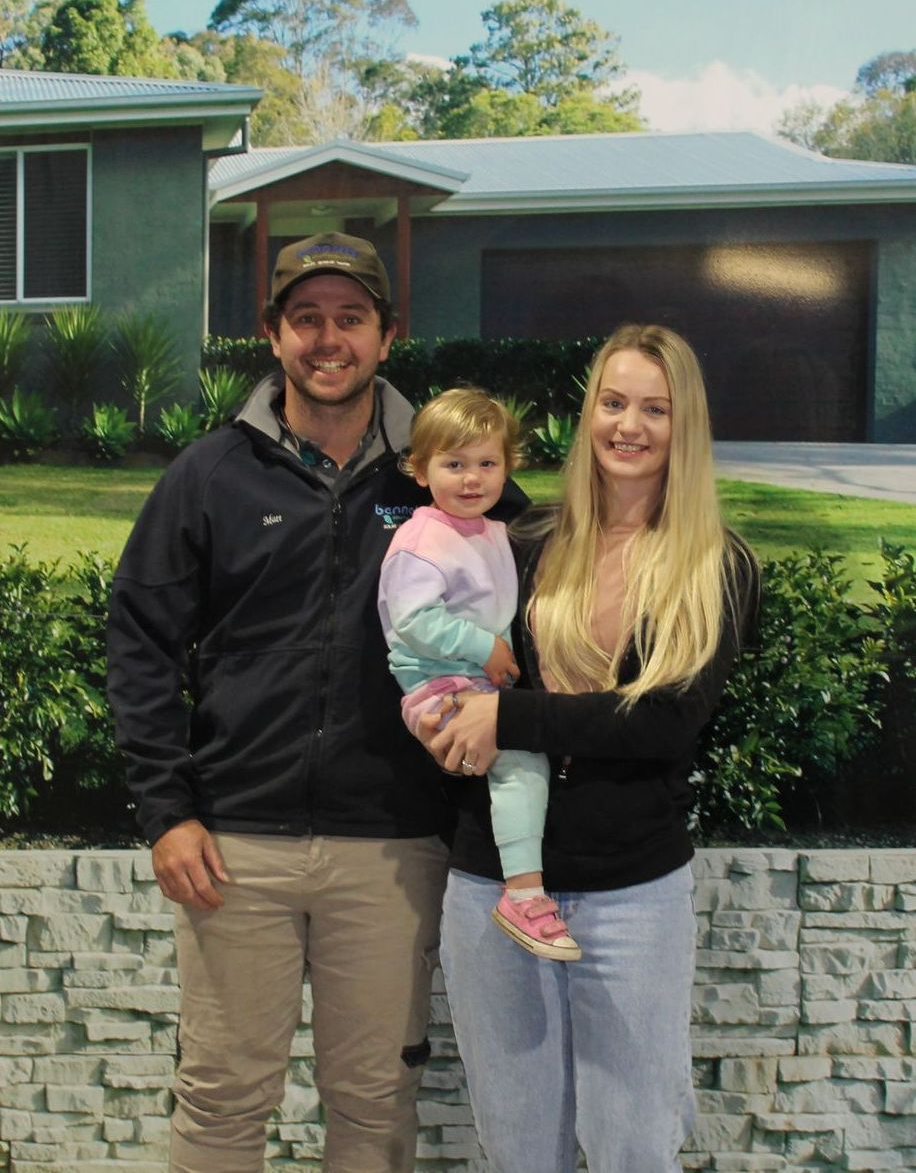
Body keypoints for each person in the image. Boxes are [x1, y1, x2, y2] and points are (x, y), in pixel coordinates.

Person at [107, 232, 524, 1173]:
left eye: (350, 318)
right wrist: (167, 813)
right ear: (272, 335)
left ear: (388, 335)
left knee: (375, 1105)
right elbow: (138, 642)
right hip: (233, 846)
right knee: (219, 1098)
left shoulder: (446, 478)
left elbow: (535, 603)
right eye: (305, 319)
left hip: (390, 844)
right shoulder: (209, 475)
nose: (326, 339)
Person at [423, 324, 759, 1172]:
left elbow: (665, 722)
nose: (629, 426)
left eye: (655, 408)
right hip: (494, 888)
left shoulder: (717, 564)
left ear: (686, 426)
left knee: (633, 1150)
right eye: (613, 403)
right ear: (589, 415)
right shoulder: (525, 542)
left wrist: (509, 721)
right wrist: (440, 717)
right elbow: (452, 660)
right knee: (519, 1150)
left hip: (634, 893)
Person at [378, 388, 580, 961]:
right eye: (454, 464)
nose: (472, 479)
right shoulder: (420, 540)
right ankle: (523, 893)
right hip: (437, 687)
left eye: (486, 464)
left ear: (508, 467)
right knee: (520, 763)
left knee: (528, 759)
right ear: (420, 470)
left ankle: (525, 881)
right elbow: (414, 620)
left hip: (478, 682)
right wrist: (484, 648)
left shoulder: (492, 531)